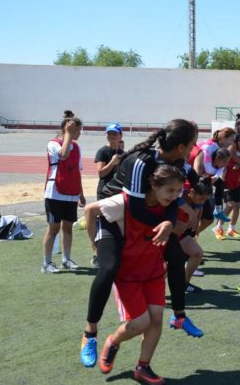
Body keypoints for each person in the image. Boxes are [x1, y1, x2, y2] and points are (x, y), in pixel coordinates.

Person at [80, 119, 202, 369]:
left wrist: (170, 221)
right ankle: (90, 333)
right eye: (191, 145)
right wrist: (167, 224)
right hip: (114, 215)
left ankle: (179, 316)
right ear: (180, 146)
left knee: (177, 257)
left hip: (146, 215)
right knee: (109, 268)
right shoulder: (141, 161)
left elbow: (171, 200)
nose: (193, 149)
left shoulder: (176, 163)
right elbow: (135, 208)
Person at [84, 164, 185, 385]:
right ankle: (113, 341)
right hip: (127, 275)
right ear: (153, 185)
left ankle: (143, 367)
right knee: (140, 323)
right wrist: (96, 245)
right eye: (170, 190)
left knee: (156, 319)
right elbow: (90, 210)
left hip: (154, 272)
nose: (175, 196)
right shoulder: (124, 202)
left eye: (178, 191)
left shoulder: (168, 207)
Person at [42, 110, 85, 274]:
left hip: (71, 193)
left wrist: (80, 194)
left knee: (68, 228)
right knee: (53, 229)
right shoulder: (53, 144)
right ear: (67, 130)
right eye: (77, 131)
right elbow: (64, 155)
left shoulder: (77, 147)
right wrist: (67, 134)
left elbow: (77, 171)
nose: (79, 134)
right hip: (55, 192)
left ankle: (66, 259)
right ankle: (46, 263)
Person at [93, 122, 124, 267]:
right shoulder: (103, 151)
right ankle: (96, 253)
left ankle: (117, 251)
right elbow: (101, 173)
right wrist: (112, 162)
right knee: (103, 222)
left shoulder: (123, 154)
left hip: (118, 192)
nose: (111, 136)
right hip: (105, 191)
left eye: (114, 133)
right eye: (109, 133)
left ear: (120, 136)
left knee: (118, 222)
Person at [212, 133, 240, 238]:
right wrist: (221, 179)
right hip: (226, 183)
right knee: (230, 205)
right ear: (238, 143)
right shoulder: (231, 152)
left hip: (236, 183)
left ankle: (231, 229)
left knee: (237, 206)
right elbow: (223, 166)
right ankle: (218, 227)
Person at [177, 174, 212, 292]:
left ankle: (184, 284)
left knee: (197, 253)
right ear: (191, 192)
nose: (203, 202)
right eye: (201, 198)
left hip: (181, 234)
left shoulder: (197, 200)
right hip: (169, 234)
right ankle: (153, 293)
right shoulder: (179, 193)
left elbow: (199, 206)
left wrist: (197, 225)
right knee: (170, 265)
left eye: (206, 199)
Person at [193, 127, 236, 222]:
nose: (232, 143)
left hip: (206, 177)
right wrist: (218, 173)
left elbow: (221, 167)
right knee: (202, 211)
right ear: (224, 138)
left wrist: (218, 175)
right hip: (196, 177)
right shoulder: (209, 146)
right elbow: (207, 168)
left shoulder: (220, 148)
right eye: (231, 140)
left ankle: (218, 210)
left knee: (220, 184)